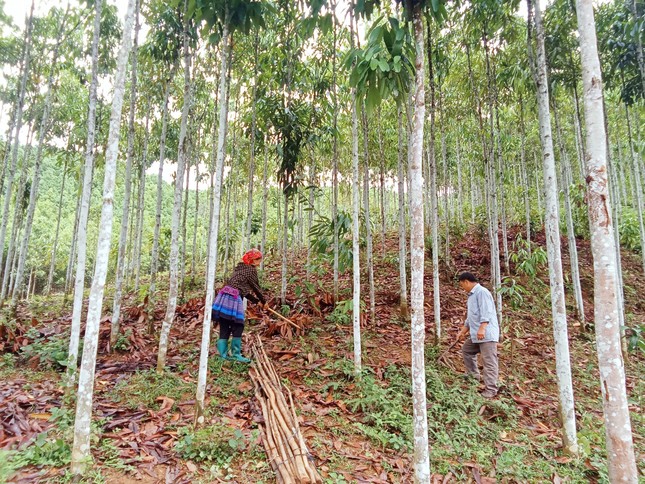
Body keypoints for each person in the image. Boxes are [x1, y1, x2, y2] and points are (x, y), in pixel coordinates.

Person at [212, 249, 267, 363]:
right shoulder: (250, 270)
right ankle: (236, 354)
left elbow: (244, 291)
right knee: (238, 324)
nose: (259, 262)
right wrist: (264, 302)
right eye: (257, 259)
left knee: (225, 323)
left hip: (224, 296)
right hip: (233, 297)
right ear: (251, 261)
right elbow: (256, 287)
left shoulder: (240, 269)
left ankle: (223, 355)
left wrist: (257, 302)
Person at [456, 271, 499, 398]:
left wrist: (482, 328)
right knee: (467, 350)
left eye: (462, 285)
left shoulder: (482, 292)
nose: (462, 288)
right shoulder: (471, 296)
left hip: (486, 334)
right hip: (476, 334)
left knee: (489, 361)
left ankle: (491, 389)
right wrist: (463, 331)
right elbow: (470, 317)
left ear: (466, 282)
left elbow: (487, 312)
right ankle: (473, 376)